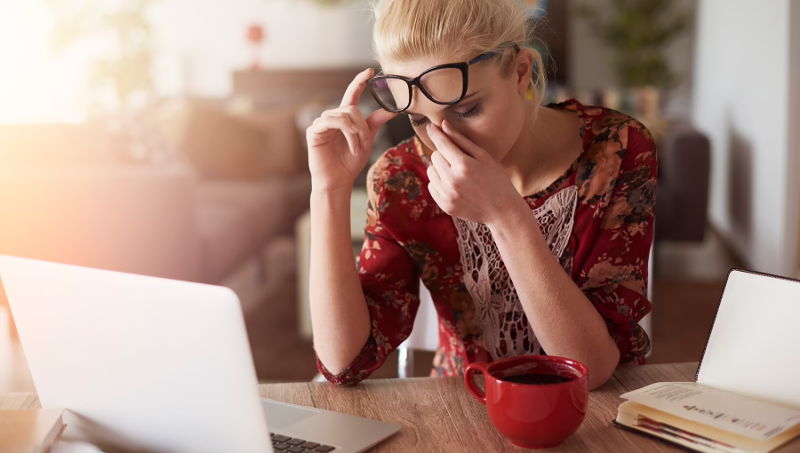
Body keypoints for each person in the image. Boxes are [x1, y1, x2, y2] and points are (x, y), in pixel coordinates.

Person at [305, 0, 656, 390]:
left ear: (521, 72)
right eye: (419, 120)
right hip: (464, 406)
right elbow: (344, 363)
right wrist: (329, 190)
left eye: (467, 109)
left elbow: (591, 369)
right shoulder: (403, 178)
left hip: (595, 415)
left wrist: (507, 216)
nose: (443, 142)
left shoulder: (616, 148)